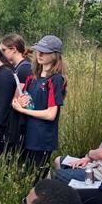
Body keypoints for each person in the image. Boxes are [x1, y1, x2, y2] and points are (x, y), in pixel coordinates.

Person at [12, 35, 66, 172]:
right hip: (26, 133)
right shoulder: (32, 76)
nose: (40, 54)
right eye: (38, 51)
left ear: (54, 55)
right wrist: (21, 102)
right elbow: (24, 99)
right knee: (23, 173)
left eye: (45, 52)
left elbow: (51, 114)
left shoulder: (55, 79)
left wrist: (23, 110)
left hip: (42, 137)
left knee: (37, 175)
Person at [0, 33, 32, 150]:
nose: (2, 53)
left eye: (4, 50)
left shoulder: (24, 68)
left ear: (13, 49)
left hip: (20, 117)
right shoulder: (17, 67)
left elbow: (17, 97)